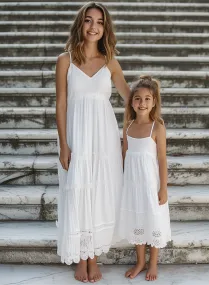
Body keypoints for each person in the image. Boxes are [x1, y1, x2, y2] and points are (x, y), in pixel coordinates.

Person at [55, 2, 130, 283]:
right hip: (76, 135)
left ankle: (92, 258)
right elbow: (61, 104)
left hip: (103, 138)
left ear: (105, 28)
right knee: (77, 191)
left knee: (98, 193)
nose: (93, 26)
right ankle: (80, 256)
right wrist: (64, 144)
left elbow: (128, 95)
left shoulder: (110, 60)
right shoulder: (65, 60)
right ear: (80, 24)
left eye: (99, 22)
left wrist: (151, 114)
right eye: (88, 20)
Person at [117, 75, 171, 281]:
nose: (142, 103)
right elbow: (124, 154)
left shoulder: (157, 127)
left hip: (150, 185)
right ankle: (140, 261)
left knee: (153, 220)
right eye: (138, 98)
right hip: (133, 185)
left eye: (147, 98)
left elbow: (163, 159)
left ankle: (153, 263)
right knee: (137, 220)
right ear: (131, 102)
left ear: (154, 102)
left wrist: (163, 188)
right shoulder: (128, 126)